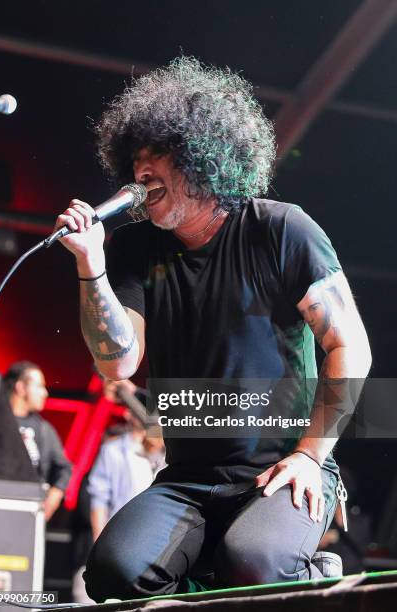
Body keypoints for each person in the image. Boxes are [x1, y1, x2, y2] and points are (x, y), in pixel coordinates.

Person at [53, 57, 371, 600]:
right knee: (114, 573)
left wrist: (311, 454)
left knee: (257, 561)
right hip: (188, 478)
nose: (141, 172)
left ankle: (311, 573)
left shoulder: (278, 229)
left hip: (284, 465)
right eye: (135, 160)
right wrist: (91, 265)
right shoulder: (132, 249)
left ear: (203, 160)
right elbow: (117, 363)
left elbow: (351, 347)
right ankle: (215, 567)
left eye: (158, 158)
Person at [3, 361, 72, 521]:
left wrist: (54, 496)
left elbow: (64, 468)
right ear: (21, 387)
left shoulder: (43, 429)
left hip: (29, 514)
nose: (45, 393)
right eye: (39, 386)